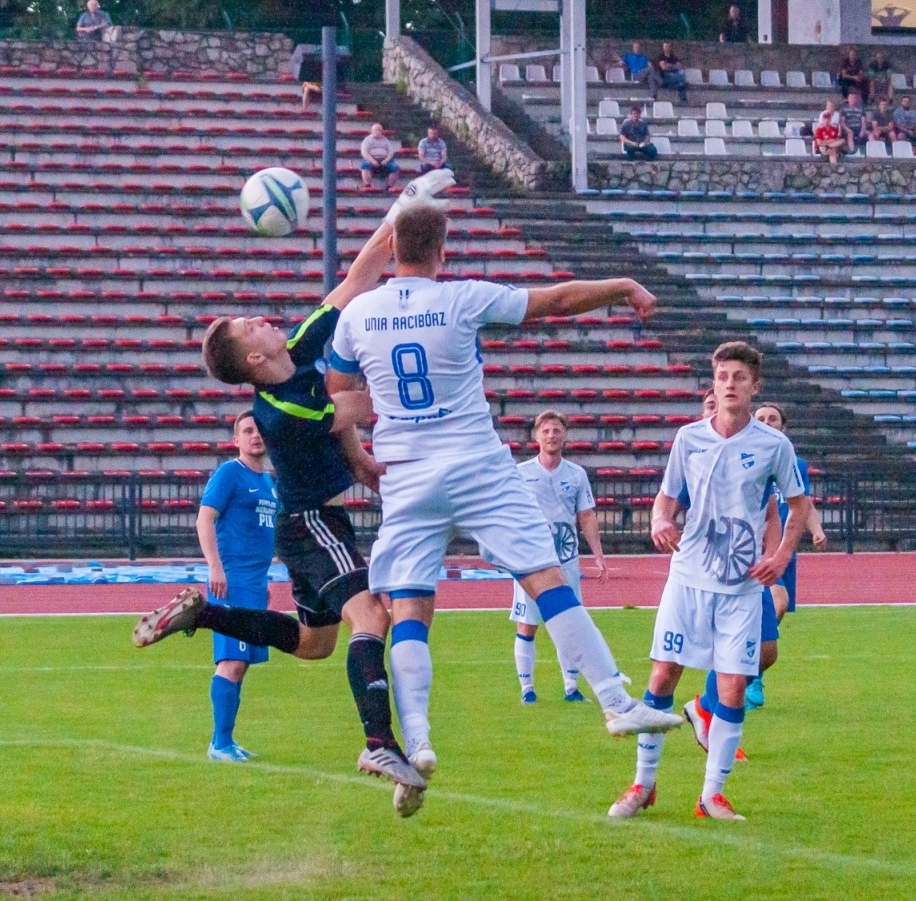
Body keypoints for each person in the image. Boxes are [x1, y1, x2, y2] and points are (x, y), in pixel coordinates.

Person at [326, 206, 685, 813]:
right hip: (476, 463)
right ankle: (616, 703)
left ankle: (417, 743)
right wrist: (622, 287)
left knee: (408, 605)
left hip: (406, 475)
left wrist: (360, 460)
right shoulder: (463, 297)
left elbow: (337, 398)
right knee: (545, 578)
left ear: (391, 249)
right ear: (442, 251)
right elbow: (557, 302)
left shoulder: (357, 315)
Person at [133, 177, 458, 813]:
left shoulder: (301, 346)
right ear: (252, 360)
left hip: (311, 522)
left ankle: (206, 615)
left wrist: (404, 206)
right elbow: (358, 405)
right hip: (312, 524)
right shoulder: (277, 410)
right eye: (248, 325)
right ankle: (378, 741)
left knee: (315, 644)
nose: (261, 318)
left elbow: (360, 276)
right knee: (374, 617)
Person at [609, 343, 808, 822]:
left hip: (741, 586)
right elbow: (665, 499)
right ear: (713, 385)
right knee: (662, 675)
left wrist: (780, 557)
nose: (730, 383)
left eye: (739, 376)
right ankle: (643, 784)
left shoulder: (773, 446)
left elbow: (798, 506)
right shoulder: (689, 439)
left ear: (754, 385)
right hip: (689, 576)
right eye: (722, 375)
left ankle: (712, 795)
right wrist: (659, 521)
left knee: (735, 687)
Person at [687, 399, 827, 736]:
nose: (766, 422)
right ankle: (714, 718)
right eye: (761, 417)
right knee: (676, 665)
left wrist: (808, 534)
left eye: (772, 418)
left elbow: (795, 505)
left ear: (782, 426)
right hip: (731, 561)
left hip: (774, 554)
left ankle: (707, 705)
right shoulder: (711, 453)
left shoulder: (788, 459)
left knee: (767, 652)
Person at [194, 413, 278, 762]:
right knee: (231, 660)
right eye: (247, 431)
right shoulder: (230, 473)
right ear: (236, 440)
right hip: (232, 583)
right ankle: (220, 744)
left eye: (259, 430)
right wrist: (215, 566)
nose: (255, 436)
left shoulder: (271, 482)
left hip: (255, 586)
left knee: (242, 663)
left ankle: (227, 740)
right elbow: (204, 518)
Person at [511, 411, 607, 704]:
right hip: (531, 561)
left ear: (564, 435)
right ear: (536, 436)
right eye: (546, 431)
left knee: (569, 622)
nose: (551, 436)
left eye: (556, 431)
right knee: (528, 624)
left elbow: (586, 515)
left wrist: (598, 555)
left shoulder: (576, 474)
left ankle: (571, 687)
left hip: (566, 560)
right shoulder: (521, 472)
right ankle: (527, 689)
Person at [358, 123, 400, 190]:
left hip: (384, 159)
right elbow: (364, 152)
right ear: (372, 131)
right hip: (371, 159)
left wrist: (386, 160)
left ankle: (389, 186)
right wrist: (373, 161)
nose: (378, 132)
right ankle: (367, 185)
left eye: (379, 130)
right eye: (376, 130)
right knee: (365, 165)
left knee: (395, 167)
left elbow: (391, 152)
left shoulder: (386, 140)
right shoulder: (367, 140)